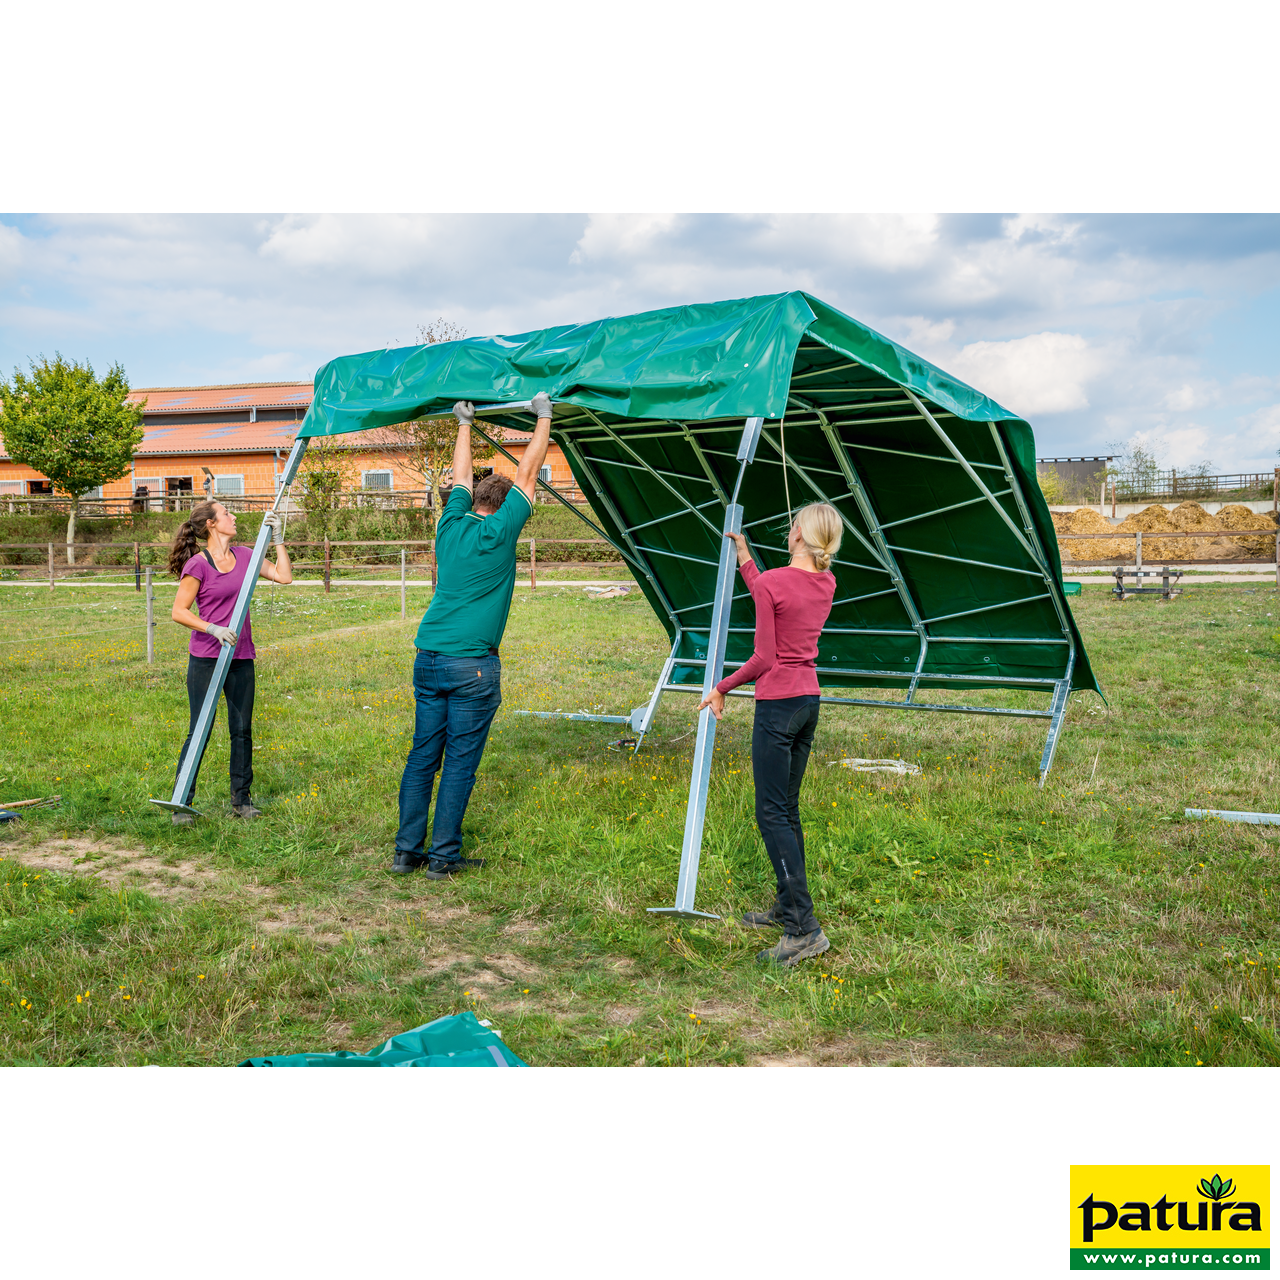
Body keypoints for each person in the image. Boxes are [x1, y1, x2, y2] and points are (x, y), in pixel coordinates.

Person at [392, 394, 555, 878]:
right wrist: (543, 418)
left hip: (429, 656)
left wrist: (464, 423)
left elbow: (460, 477)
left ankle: (406, 851)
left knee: (424, 754)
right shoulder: (501, 532)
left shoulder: (449, 524)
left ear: (475, 502)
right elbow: (527, 475)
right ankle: (442, 858)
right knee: (460, 761)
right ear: (505, 508)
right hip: (472, 666)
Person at [697, 503, 843, 966]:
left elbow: (763, 659)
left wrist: (720, 688)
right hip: (808, 703)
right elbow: (768, 590)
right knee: (787, 808)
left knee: (771, 813)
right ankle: (786, 906)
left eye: (792, 522)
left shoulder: (777, 582)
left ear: (798, 532)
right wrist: (744, 553)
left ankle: (804, 928)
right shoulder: (826, 581)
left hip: (778, 707)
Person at [167, 501, 292, 824]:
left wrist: (278, 540)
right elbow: (179, 611)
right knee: (200, 730)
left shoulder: (247, 557)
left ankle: (242, 801)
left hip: (240, 657)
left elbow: (283, 576)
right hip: (206, 658)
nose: (233, 517)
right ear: (211, 524)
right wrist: (213, 628)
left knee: (241, 730)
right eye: (226, 513)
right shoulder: (198, 565)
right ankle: (182, 801)